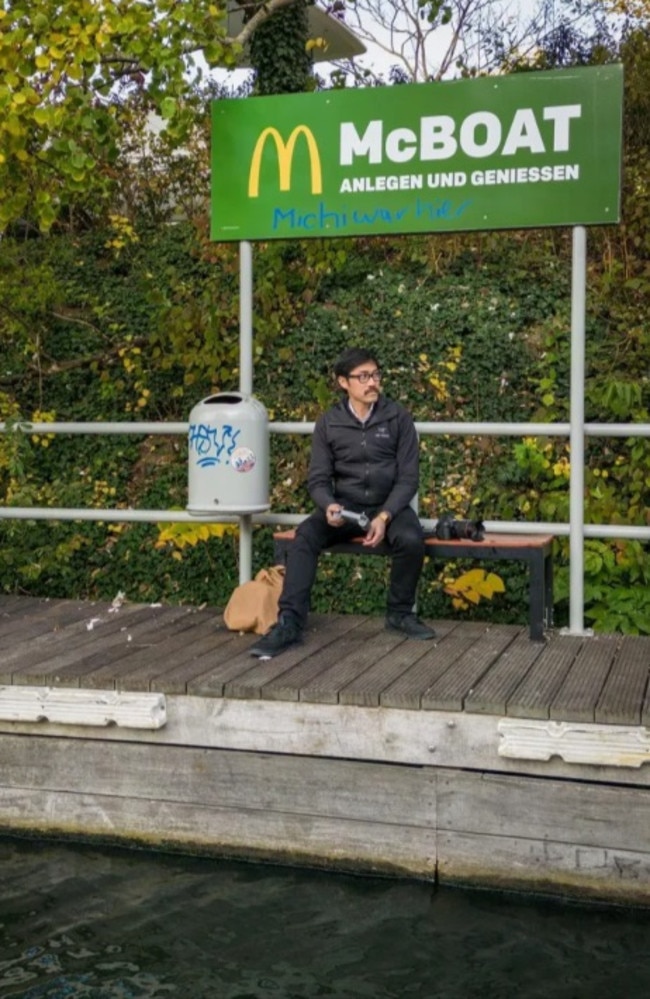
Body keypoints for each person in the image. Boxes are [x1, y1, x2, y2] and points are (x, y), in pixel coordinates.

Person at [250, 346, 436, 658]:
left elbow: (408, 478)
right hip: (345, 506)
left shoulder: (397, 417)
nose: (372, 382)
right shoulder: (329, 423)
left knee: (411, 539)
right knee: (305, 537)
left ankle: (400, 613)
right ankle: (289, 622)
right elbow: (318, 479)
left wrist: (385, 515)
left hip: (389, 506)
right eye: (363, 376)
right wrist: (328, 506)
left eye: (375, 374)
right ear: (343, 382)